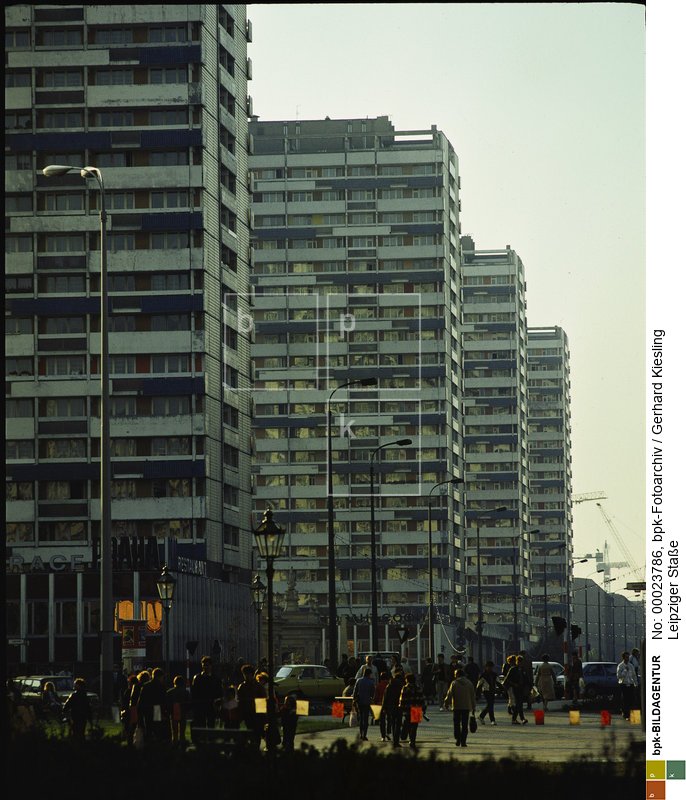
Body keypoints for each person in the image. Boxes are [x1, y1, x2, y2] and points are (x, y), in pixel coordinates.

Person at [444, 666, 477, 747]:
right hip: (466, 707)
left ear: (457, 675)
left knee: (456, 723)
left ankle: (458, 738)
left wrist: (446, 703)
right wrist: (473, 707)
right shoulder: (469, 683)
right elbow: (473, 696)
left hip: (456, 706)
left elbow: (449, 694)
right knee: (465, 725)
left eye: (455, 674)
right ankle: (463, 741)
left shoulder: (454, 683)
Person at [137, 667, 169, 743]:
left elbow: (141, 700)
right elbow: (164, 700)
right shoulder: (162, 687)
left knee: (148, 728)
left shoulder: (146, 686)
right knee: (157, 729)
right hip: (157, 709)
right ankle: (156, 745)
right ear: (160, 676)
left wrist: (140, 711)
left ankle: (148, 744)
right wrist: (164, 712)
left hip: (147, 710)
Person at [236, 663, 267, 739]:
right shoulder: (242, 687)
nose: (246, 676)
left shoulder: (258, 686)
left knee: (257, 732)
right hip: (247, 713)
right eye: (245, 674)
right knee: (251, 731)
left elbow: (262, 700)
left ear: (252, 674)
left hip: (256, 713)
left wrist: (262, 715)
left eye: (248, 674)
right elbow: (240, 700)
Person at [191, 656, 222, 729]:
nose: (205, 667)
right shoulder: (198, 678)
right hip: (201, 704)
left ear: (211, 666)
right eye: (204, 665)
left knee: (210, 724)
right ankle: (203, 739)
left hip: (211, 705)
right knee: (201, 724)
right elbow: (194, 692)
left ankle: (209, 739)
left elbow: (219, 692)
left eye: (207, 665)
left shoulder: (214, 678)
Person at [398, 672, 425, 750]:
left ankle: (405, 735)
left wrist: (401, 708)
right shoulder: (418, 688)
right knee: (414, 727)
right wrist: (423, 708)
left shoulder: (405, 688)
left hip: (407, 709)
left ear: (407, 680)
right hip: (417, 709)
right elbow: (422, 699)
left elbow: (402, 700)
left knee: (408, 724)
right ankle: (412, 741)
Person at [383, 667, 405, 747]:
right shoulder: (401, 686)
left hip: (390, 707)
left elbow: (385, 697)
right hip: (399, 707)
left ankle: (394, 740)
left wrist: (384, 707)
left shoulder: (389, 685)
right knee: (398, 724)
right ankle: (396, 740)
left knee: (392, 723)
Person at [167, 675, 191, 747]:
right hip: (183, 712)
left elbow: (167, 703)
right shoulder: (186, 692)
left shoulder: (169, 692)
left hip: (173, 712)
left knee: (174, 730)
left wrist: (168, 711)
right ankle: (182, 742)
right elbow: (189, 703)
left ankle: (175, 742)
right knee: (182, 730)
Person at [502, 655, 528, 724]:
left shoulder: (522, 669)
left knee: (518, 704)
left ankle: (514, 719)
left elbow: (525, 679)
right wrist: (514, 684)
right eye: (520, 662)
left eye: (522, 662)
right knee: (519, 704)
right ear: (517, 662)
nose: (521, 663)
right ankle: (522, 718)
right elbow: (507, 679)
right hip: (514, 688)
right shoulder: (513, 669)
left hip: (521, 688)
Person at [352, 667, 375, 741]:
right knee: (365, 718)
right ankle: (364, 734)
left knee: (361, 718)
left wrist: (354, 699)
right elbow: (372, 693)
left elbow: (355, 691)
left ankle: (361, 733)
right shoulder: (371, 682)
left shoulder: (359, 680)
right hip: (367, 701)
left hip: (360, 701)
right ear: (369, 674)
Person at [617, 651, 639, 720]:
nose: (627, 658)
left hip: (631, 684)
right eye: (626, 657)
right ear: (623, 658)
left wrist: (636, 683)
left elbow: (634, 675)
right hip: (624, 684)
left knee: (632, 700)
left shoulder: (631, 665)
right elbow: (619, 676)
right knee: (625, 700)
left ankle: (633, 715)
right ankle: (626, 715)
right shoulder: (620, 666)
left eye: (628, 657)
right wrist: (624, 671)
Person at [120, 673, 139, 746]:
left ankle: (129, 743)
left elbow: (124, 703)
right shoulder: (137, 691)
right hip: (135, 712)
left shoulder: (128, 692)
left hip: (129, 712)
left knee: (129, 729)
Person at [477, 660, 498, 725]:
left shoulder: (494, 674)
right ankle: (492, 720)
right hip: (486, 691)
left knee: (490, 705)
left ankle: (481, 716)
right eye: (488, 667)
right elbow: (479, 685)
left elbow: (498, 682)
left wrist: (501, 689)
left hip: (492, 690)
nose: (490, 668)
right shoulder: (483, 675)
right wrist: (477, 693)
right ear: (486, 667)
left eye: (491, 667)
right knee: (490, 704)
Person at [374, 670, 390, 741]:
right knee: (389, 719)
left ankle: (383, 736)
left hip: (380, 704)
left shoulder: (378, 685)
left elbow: (376, 697)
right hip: (389, 704)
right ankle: (388, 733)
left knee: (382, 721)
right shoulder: (389, 685)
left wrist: (375, 703)